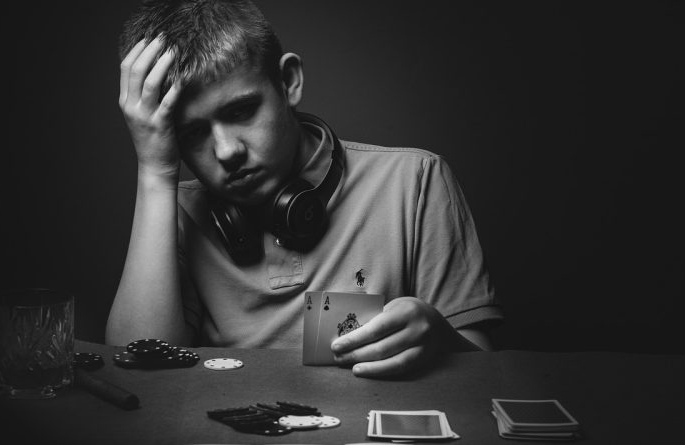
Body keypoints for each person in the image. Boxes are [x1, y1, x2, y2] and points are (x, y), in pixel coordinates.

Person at [106, 0, 503, 378]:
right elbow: (139, 376)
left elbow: (482, 376)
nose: (227, 151)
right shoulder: (173, 214)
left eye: (241, 111)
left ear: (289, 82)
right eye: (193, 133)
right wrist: (155, 172)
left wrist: (439, 338)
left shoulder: (416, 181)